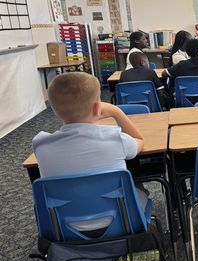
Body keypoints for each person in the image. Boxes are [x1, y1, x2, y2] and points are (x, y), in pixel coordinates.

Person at [32, 72, 150, 209]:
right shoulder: (115, 138)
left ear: (54, 109)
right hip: (123, 219)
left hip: (61, 226)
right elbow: (140, 140)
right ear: (97, 107)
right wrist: (116, 112)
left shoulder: (40, 144)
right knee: (140, 190)